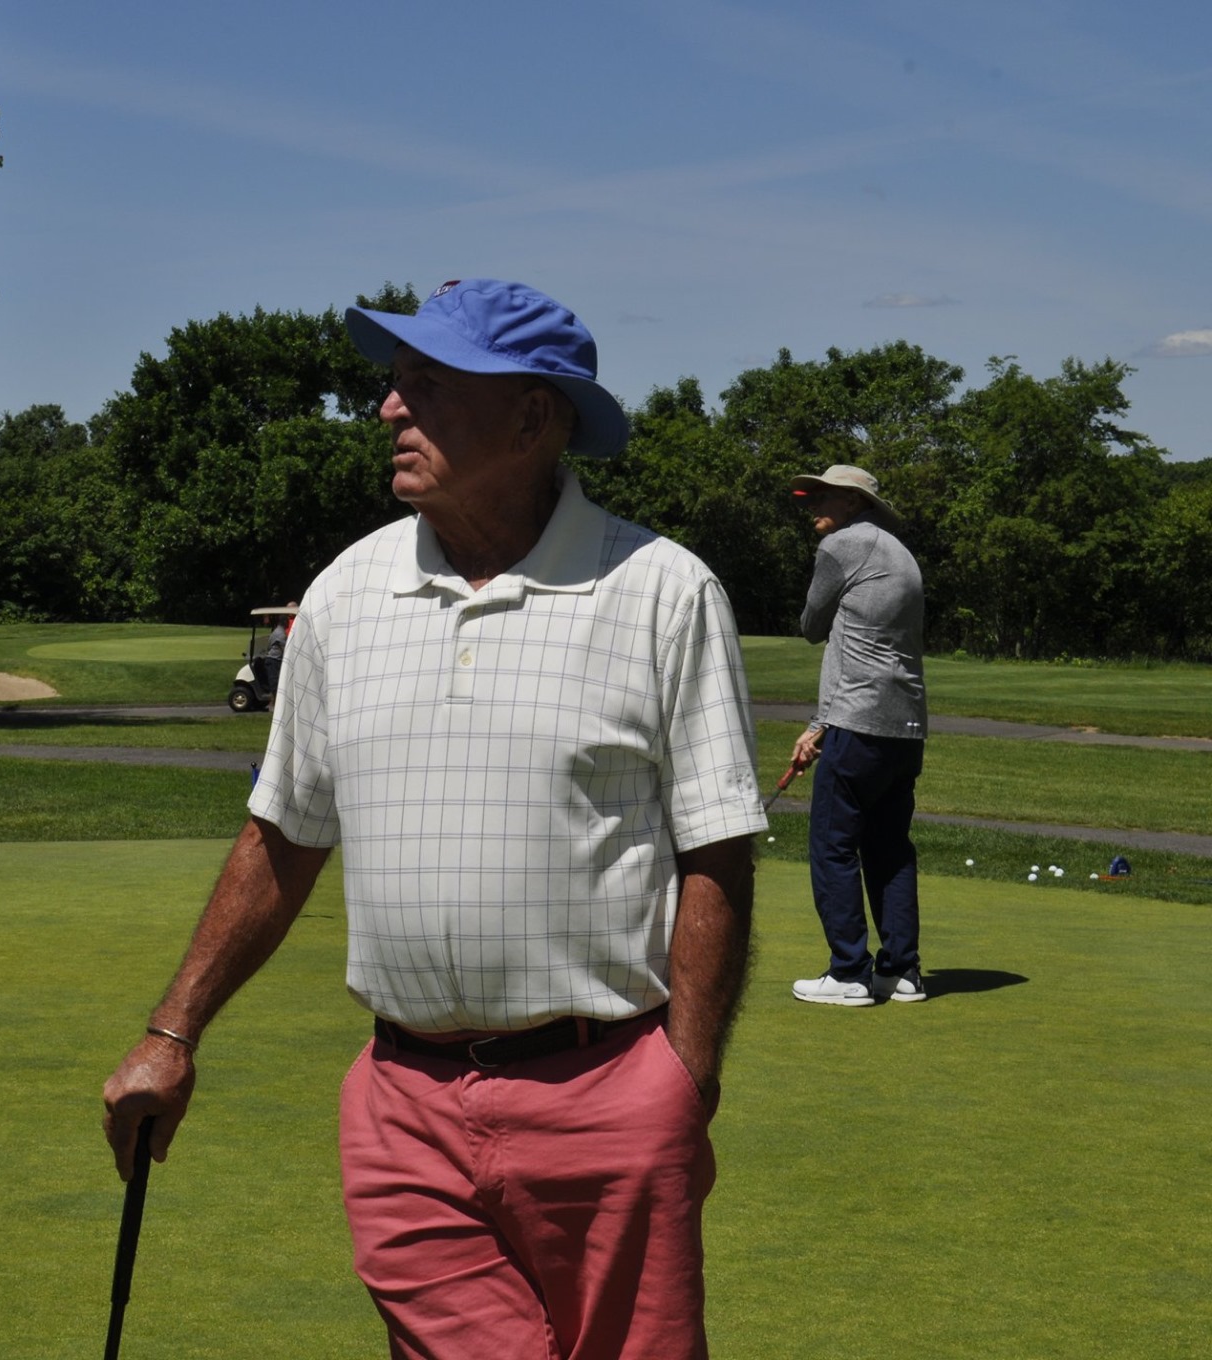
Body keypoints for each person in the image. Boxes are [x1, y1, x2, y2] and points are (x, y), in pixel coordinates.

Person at [103, 279, 767, 1359]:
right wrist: (171, 1032)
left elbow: (716, 849)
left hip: (607, 1094)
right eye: (391, 383)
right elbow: (282, 835)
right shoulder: (342, 594)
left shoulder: (661, 590)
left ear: (531, 417)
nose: (387, 409)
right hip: (400, 1107)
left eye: (426, 383)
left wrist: (679, 1083)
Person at [785, 465, 928, 1007]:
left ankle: (848, 973)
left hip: (860, 722)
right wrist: (821, 722)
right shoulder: (898, 550)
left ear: (849, 501)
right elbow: (864, 646)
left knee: (832, 845)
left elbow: (812, 626)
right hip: (905, 726)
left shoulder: (843, 545)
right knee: (889, 849)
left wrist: (831, 720)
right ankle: (902, 973)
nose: (812, 505)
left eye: (821, 496)